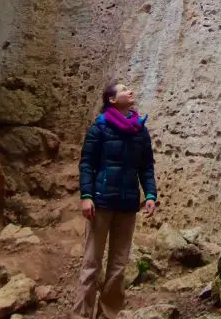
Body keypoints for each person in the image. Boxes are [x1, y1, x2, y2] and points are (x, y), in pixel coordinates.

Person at [75, 80, 157, 318]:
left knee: (119, 266)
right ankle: (81, 315)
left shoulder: (140, 130)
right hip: (100, 204)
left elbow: (146, 167)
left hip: (127, 205)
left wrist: (150, 195)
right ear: (112, 100)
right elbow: (87, 164)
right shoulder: (99, 128)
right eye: (123, 90)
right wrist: (86, 196)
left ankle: (108, 313)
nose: (130, 91)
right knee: (91, 264)